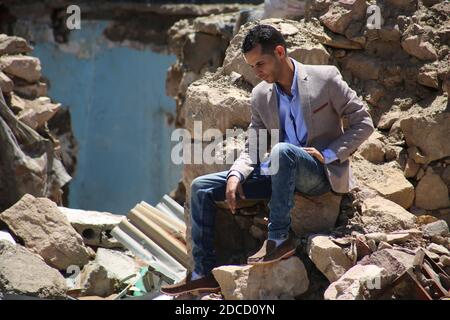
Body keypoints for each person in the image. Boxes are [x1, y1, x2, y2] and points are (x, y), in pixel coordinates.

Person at [161, 24, 374, 296]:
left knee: (282, 151)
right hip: (279, 169)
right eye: (252, 66)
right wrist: (236, 174)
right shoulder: (261, 95)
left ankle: (278, 238)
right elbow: (254, 145)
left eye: (261, 63)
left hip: (319, 173)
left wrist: (330, 153)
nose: (257, 71)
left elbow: (363, 122)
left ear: (280, 52)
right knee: (202, 186)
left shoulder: (326, 79)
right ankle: (204, 272)